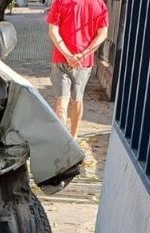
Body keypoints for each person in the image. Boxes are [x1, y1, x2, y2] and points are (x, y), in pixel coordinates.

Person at [47, 0, 108, 138]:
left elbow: (53, 31)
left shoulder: (60, 2)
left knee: (62, 102)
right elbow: (103, 34)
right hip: (83, 62)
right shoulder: (99, 4)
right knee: (76, 99)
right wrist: (83, 54)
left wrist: (68, 55)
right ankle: (72, 138)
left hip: (62, 59)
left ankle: (64, 141)